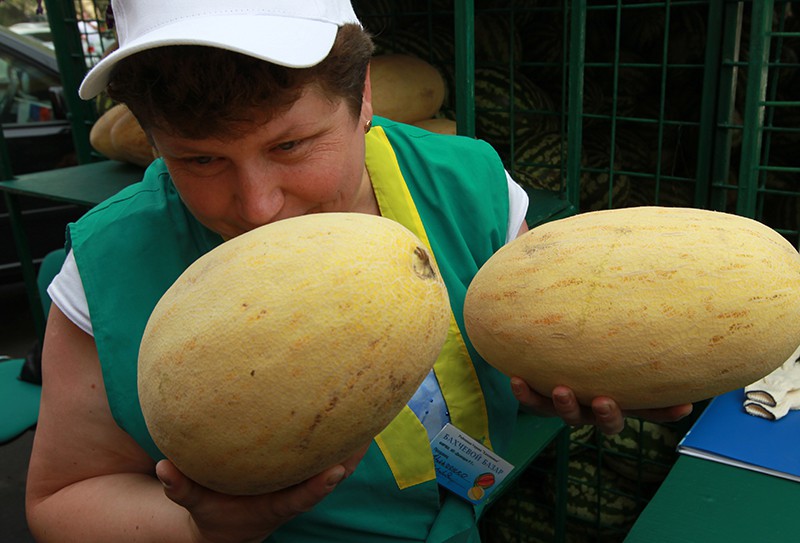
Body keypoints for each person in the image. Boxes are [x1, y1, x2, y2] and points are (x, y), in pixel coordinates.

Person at [25, 1, 692, 542]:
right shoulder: (105, 266)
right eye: (199, 161)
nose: (258, 204)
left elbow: (520, 338)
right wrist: (202, 528)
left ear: (363, 96)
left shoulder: (471, 186)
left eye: (290, 144)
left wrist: (556, 373)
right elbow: (62, 498)